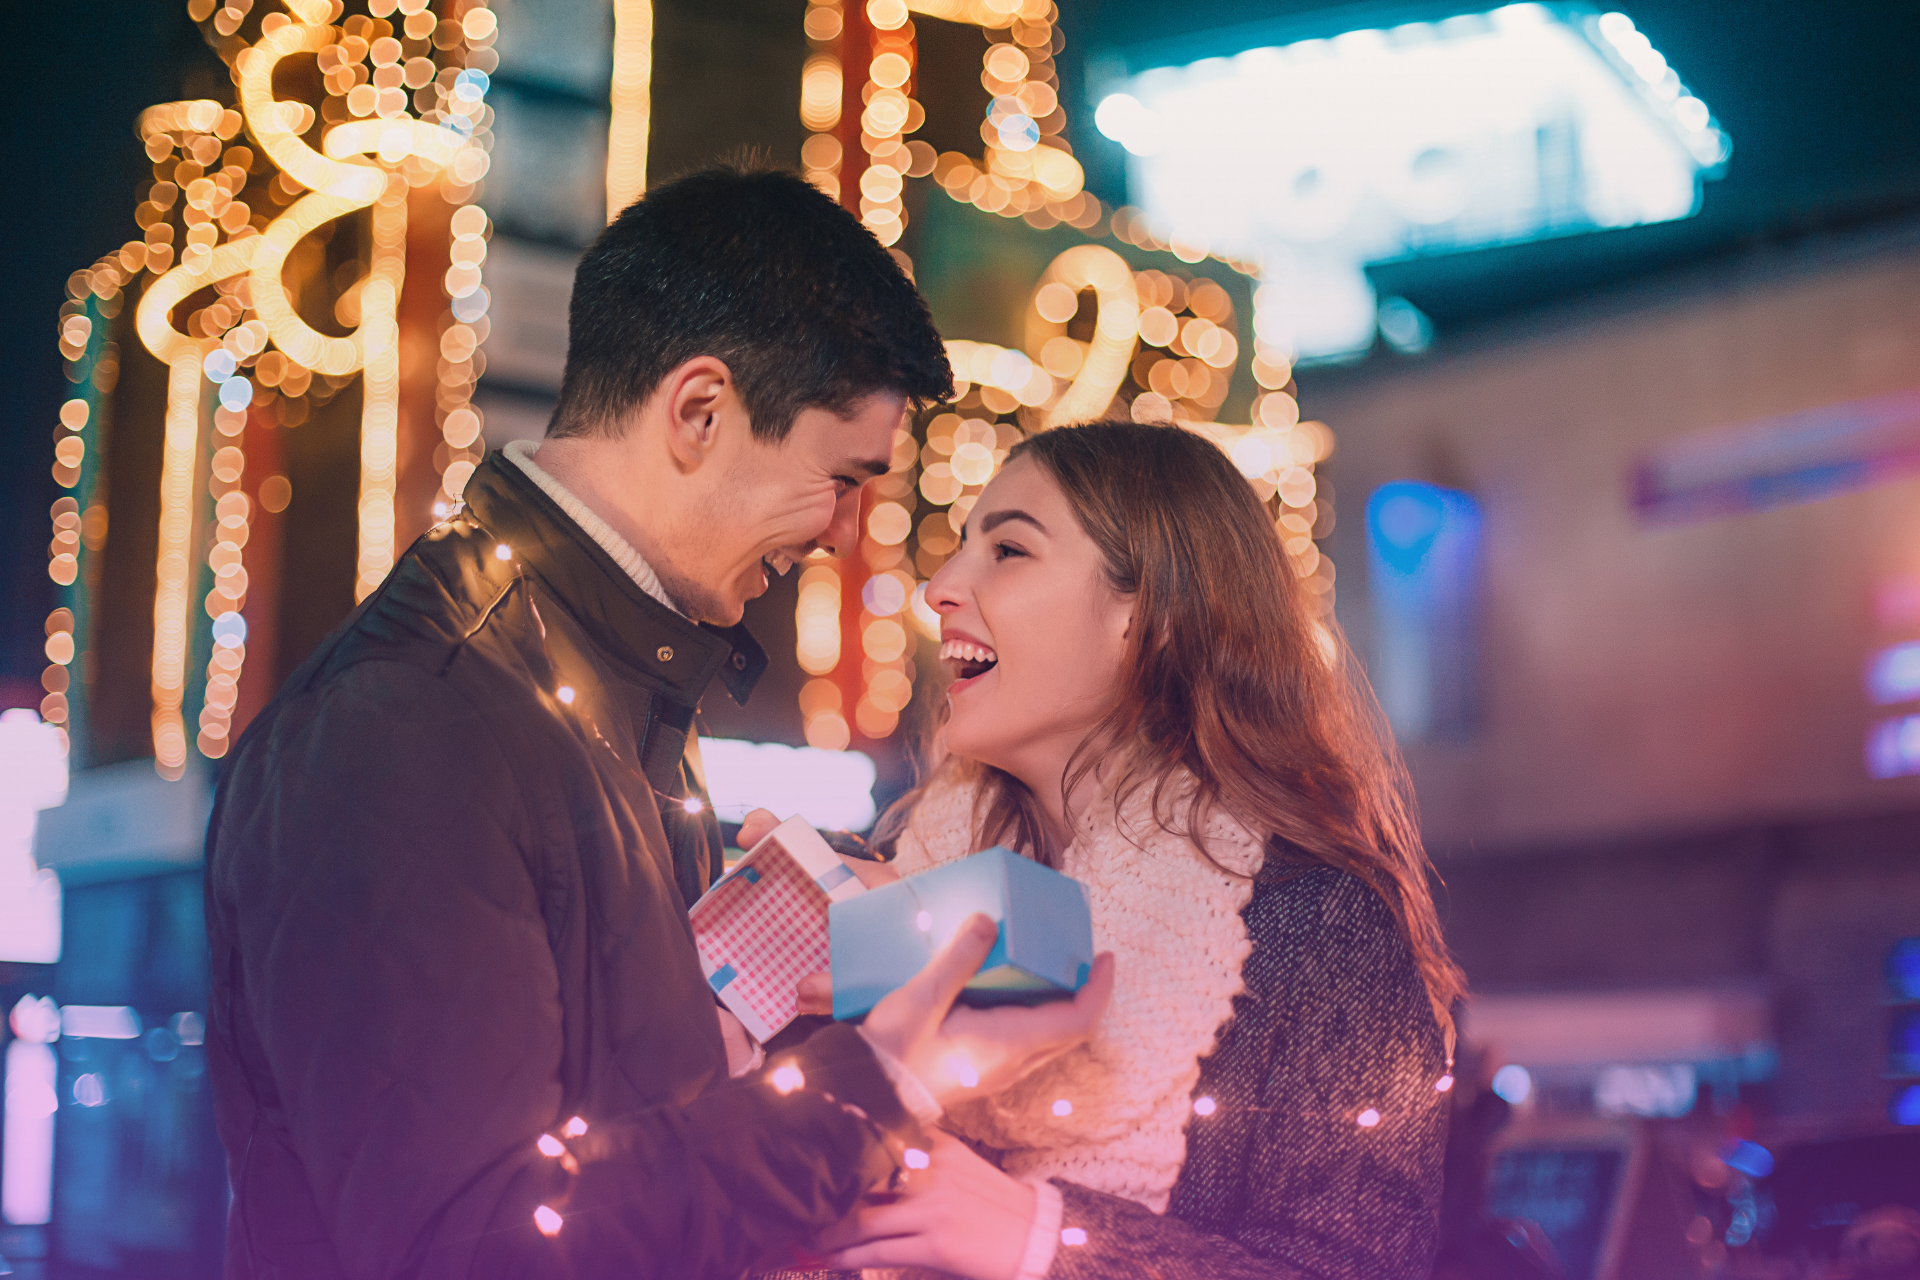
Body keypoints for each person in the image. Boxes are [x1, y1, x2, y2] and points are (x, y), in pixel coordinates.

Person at [202, 165, 1113, 1280]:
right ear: (697, 410)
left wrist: (764, 1004)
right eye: (840, 476)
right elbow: (473, 1243)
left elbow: (613, 1128)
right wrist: (871, 1084)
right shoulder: (410, 720)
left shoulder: (612, 686)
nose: (842, 528)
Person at [775, 420, 1466, 1278]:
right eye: (958, 550)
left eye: (1010, 551)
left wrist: (1037, 1238)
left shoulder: (1318, 922)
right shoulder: (889, 893)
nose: (941, 587)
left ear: (1149, 616)